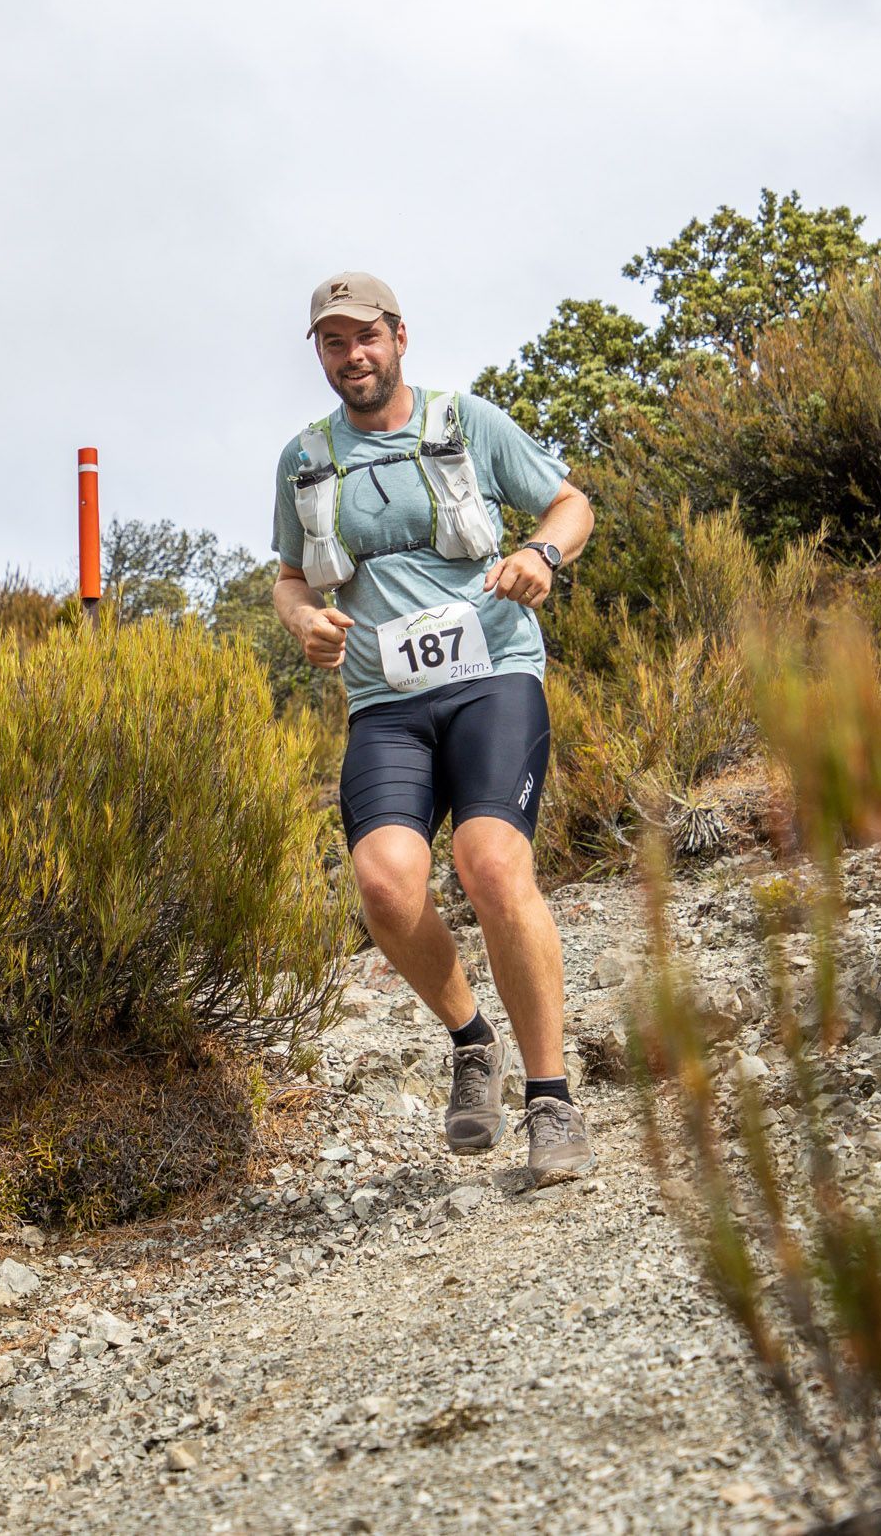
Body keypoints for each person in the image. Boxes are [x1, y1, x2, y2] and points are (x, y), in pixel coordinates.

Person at [272, 271, 597, 1183]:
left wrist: (539, 553)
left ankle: (551, 1100)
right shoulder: (303, 457)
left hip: (492, 673)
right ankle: (469, 1041)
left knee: (491, 864)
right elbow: (291, 576)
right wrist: (301, 619)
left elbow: (571, 503)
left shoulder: (465, 420)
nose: (352, 357)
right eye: (333, 344)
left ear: (399, 337)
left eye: (364, 338)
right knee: (382, 884)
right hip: (384, 702)